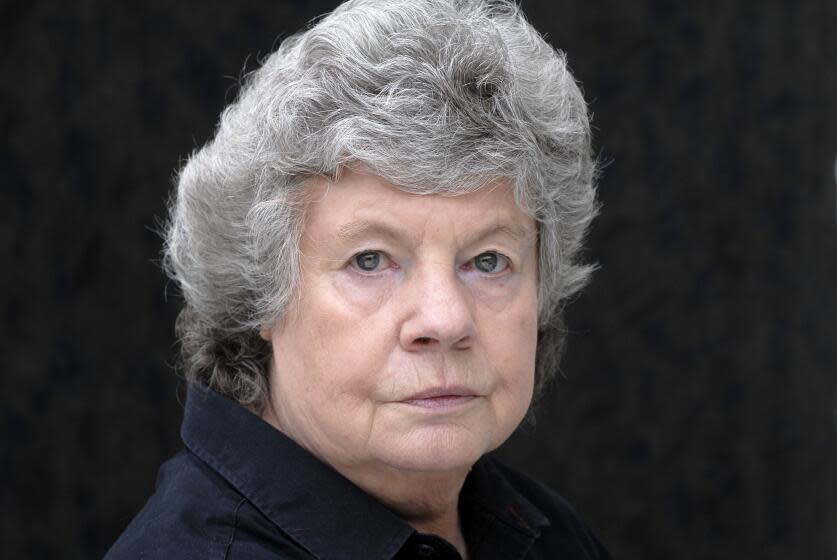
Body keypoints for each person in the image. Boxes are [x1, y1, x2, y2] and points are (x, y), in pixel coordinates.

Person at [106, 0, 608, 558]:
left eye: (488, 261)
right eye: (370, 260)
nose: (446, 320)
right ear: (260, 297)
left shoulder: (545, 533)